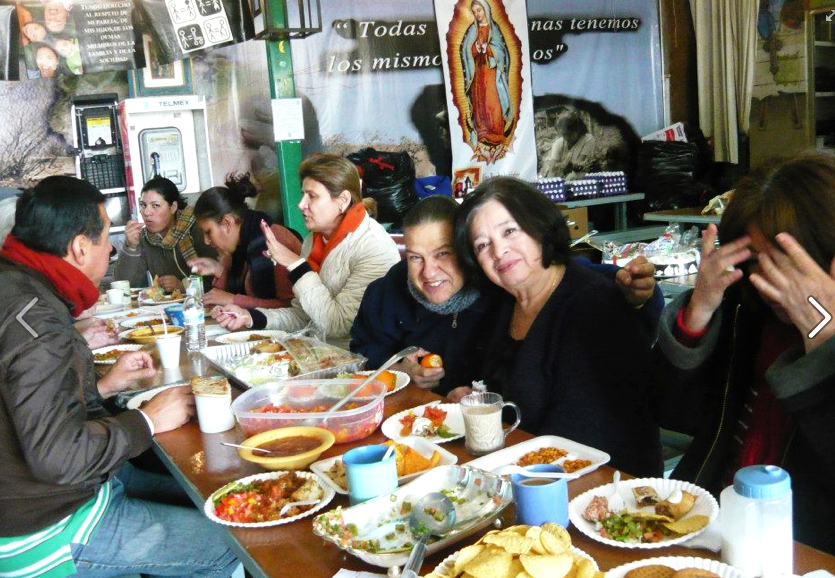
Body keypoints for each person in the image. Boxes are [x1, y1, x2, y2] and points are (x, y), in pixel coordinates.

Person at [0, 176, 238, 577]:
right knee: (226, 545)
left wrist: (103, 385)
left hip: (52, 491)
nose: (109, 248)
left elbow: (27, 403)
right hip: (44, 523)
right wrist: (147, 420)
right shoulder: (37, 321)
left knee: (210, 498)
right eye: (105, 237)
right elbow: (58, 457)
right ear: (79, 247)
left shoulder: (17, 286)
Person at [652, 153, 835, 555]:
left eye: (786, 262)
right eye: (755, 262)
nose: (768, 281)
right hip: (710, 524)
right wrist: (698, 310)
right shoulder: (745, 310)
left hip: (799, 550)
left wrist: (823, 336)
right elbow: (670, 413)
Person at [351, 195, 664, 398]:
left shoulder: (500, 284)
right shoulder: (388, 292)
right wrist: (398, 374)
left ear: (466, 250)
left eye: (443, 254)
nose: (428, 273)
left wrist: (638, 293)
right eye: (416, 257)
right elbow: (361, 357)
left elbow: (574, 278)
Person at [455, 177, 663, 476]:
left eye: (510, 231)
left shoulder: (591, 305)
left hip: (601, 487)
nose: (499, 252)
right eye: (482, 245)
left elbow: (582, 436)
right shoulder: (507, 302)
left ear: (539, 227)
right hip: (528, 470)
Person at [213, 153, 400, 348]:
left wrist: (297, 265)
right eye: (303, 195)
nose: (301, 205)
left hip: (360, 360)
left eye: (312, 196)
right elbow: (304, 315)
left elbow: (339, 325)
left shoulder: (373, 247)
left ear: (343, 200)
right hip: (320, 352)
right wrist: (249, 317)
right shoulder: (314, 239)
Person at [189, 172, 301, 309]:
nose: (206, 241)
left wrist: (233, 300)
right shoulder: (241, 247)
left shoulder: (274, 242)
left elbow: (291, 307)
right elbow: (239, 290)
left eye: (208, 232)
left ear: (227, 223)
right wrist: (218, 269)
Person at [114, 176, 216, 292]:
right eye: (143, 205)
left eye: (155, 205)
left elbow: (219, 280)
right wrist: (131, 247)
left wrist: (184, 287)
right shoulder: (143, 238)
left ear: (173, 207)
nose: (146, 212)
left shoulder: (198, 230)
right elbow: (124, 287)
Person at [460, 0, 512, 150]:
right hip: (478, 72)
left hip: (491, 71)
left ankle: (496, 132)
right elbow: (466, 51)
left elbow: (501, 52)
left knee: (492, 100)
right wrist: (476, 47)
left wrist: (488, 49)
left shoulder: (494, 29)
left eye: (479, 10)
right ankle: (482, 132)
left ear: (486, 10)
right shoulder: (472, 30)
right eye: (474, 11)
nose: (477, 14)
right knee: (479, 101)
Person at [542, 110, 599, 179]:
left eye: (568, 134)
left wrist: (565, 164)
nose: (566, 138)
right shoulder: (558, 143)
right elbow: (552, 172)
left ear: (577, 130)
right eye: (563, 135)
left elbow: (579, 167)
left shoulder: (588, 140)